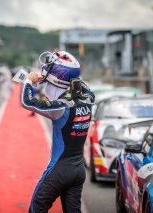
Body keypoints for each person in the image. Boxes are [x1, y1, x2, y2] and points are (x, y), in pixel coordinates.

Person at [21, 51, 95, 213]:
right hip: (79, 170)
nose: (45, 69)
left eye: (49, 67)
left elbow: (27, 102)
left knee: (36, 208)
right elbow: (83, 88)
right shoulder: (88, 99)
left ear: (57, 74)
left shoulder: (61, 106)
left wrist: (27, 81)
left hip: (60, 169)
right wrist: (72, 78)